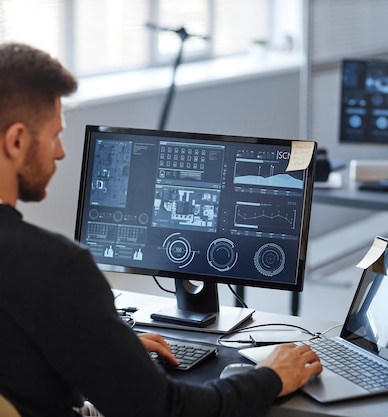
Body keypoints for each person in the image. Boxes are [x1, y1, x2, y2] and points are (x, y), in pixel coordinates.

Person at [0, 42, 322, 416]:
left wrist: (103, 346)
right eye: (55, 135)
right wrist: (270, 376)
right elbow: (167, 410)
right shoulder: (55, 268)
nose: (60, 152)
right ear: (18, 140)